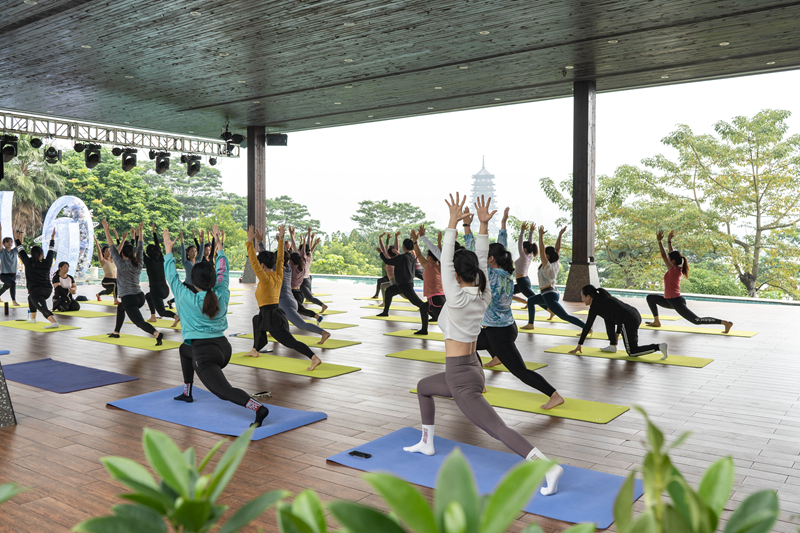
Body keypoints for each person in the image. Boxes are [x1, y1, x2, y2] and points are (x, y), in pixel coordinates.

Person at [404, 193, 563, 496]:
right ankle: (426, 442)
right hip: (469, 370)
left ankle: (549, 468)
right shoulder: (483, 292)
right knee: (425, 386)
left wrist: (454, 222)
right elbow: (478, 258)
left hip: (462, 378)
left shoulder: (456, 296)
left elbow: (458, 255)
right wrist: (481, 225)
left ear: (453, 274)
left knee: (498, 429)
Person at [163, 226, 270, 427]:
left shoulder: (187, 297)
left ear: (193, 281)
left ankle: (258, 408)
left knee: (223, 392)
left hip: (205, 355)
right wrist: (219, 247)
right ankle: (187, 392)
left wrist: (168, 250)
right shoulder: (221, 292)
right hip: (223, 348)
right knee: (184, 350)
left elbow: (172, 277)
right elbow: (224, 271)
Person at [473, 209, 564, 410]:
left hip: (499, 333)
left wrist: (468, 228)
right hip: (501, 327)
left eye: (486, 255)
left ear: (490, 260)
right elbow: (500, 248)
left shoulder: (490, 276)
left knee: (520, 371)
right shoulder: (505, 273)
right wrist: (502, 224)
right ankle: (480, 383)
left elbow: (476, 250)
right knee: (467, 346)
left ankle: (554, 395)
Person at [243, 225, 323, 371]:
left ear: (262, 266)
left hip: (272, 316)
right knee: (256, 319)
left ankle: (314, 357)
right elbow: (280, 259)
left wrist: (249, 241)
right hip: (271, 313)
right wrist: (280, 239)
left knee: (290, 342)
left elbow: (254, 262)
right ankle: (255, 349)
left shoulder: (265, 278)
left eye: (258, 266)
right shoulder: (278, 275)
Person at [645, 231, 733, 333]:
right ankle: (656, 321)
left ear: (672, 261)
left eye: (670, 259)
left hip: (676, 301)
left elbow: (664, 256)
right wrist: (669, 241)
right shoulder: (676, 268)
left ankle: (725, 323)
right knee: (650, 298)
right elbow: (671, 255)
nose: (667, 259)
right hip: (668, 300)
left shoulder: (673, 270)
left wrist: (659, 241)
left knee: (696, 320)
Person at [103, 220, 164, 344]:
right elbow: (140, 246)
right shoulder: (138, 263)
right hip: (139, 297)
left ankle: (156, 333)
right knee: (121, 308)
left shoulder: (120, 264)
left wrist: (106, 230)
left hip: (129, 299)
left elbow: (112, 247)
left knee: (139, 322)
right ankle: (116, 332)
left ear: (123, 255)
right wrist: (140, 231)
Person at [569, 285, 668, 359]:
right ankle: (613, 345)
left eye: (582, 296)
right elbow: (617, 314)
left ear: (588, 297)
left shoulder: (595, 306)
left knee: (632, 351)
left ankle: (659, 347)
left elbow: (588, 326)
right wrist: (616, 334)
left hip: (629, 320)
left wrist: (579, 344)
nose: (581, 299)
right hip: (633, 314)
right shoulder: (603, 298)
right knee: (608, 319)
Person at [520, 225, 586, 331]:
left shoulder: (548, 266)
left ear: (548, 255)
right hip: (549, 293)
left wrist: (540, 236)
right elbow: (557, 249)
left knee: (564, 316)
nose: (543, 255)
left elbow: (541, 250)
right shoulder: (555, 262)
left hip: (549, 295)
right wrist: (560, 235)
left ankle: (586, 327)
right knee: (531, 300)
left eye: (545, 254)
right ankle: (530, 324)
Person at [376, 231, 426, 320]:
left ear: (403, 247)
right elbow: (401, 257)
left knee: (418, 303)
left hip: (404, 285)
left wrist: (380, 252)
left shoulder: (402, 257)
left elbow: (388, 261)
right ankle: (385, 312)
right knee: (388, 291)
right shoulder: (410, 256)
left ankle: (433, 314)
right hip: (402, 284)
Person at [16, 228, 60, 328]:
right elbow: (51, 250)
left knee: (42, 307)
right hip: (47, 290)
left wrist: (17, 238)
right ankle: (33, 319)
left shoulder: (28, 262)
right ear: (41, 254)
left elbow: (20, 250)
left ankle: (54, 322)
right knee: (30, 298)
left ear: (32, 254)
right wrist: (52, 238)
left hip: (36, 291)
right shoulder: (47, 262)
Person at [409, 225, 445, 335]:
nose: (425, 256)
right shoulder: (441, 265)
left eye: (427, 255)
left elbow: (418, 254)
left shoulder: (429, 266)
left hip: (434, 299)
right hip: (441, 297)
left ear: (429, 258)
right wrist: (439, 241)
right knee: (423, 308)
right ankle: (424, 329)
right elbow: (440, 255)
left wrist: (415, 241)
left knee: (444, 324)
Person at [143, 223, 179, 327]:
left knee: (162, 312)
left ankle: (175, 316)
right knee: (148, 296)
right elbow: (157, 245)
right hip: (165, 290)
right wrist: (154, 231)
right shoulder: (161, 259)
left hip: (156, 290)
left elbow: (139, 249)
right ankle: (153, 316)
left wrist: (137, 235)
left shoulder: (148, 262)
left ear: (148, 253)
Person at [289, 228, 328, 313]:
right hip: (308, 280)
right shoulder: (309, 257)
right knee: (304, 296)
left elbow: (294, 245)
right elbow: (309, 248)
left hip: (302, 281)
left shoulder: (300, 259)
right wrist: (309, 235)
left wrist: (291, 234)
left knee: (309, 298)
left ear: (300, 251)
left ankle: (322, 305)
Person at [513, 221, 537, 298]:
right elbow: (529, 243)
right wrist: (531, 232)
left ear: (525, 249)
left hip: (522, 282)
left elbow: (520, 243)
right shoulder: (530, 255)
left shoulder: (524, 256)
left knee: (534, 299)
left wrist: (522, 231)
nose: (521, 249)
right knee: (508, 292)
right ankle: (526, 303)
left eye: (523, 248)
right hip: (524, 281)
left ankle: (551, 309)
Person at [0, 222, 21, 307]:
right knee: (13, 284)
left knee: (5, 287)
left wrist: (20, 233)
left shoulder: (14, 251)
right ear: (3, 243)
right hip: (4, 275)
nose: (10, 243)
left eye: (11, 242)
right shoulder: (2, 252)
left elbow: (20, 244)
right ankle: (14, 301)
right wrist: (0, 230)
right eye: (8, 242)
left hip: (13, 274)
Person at [94, 238, 120, 305]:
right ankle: (115, 300)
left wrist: (123, 239)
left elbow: (119, 250)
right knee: (115, 284)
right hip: (106, 281)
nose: (109, 252)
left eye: (110, 251)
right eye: (107, 251)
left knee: (107, 292)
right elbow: (99, 252)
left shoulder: (113, 259)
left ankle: (98, 294)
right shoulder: (103, 261)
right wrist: (96, 242)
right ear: (103, 253)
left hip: (114, 280)